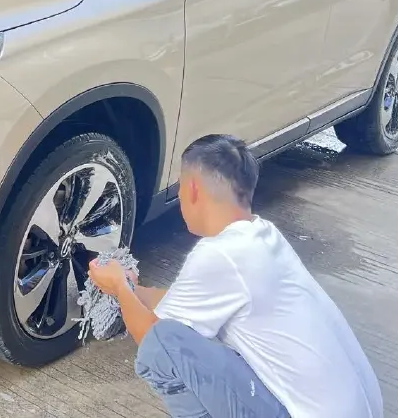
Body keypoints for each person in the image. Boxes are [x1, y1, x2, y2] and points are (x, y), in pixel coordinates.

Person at [88, 134, 382, 418]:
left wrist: (119, 287)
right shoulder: (261, 235)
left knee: (165, 343)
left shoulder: (220, 253)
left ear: (191, 189)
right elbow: (181, 303)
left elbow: (154, 335)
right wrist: (130, 288)